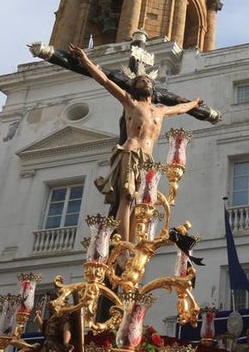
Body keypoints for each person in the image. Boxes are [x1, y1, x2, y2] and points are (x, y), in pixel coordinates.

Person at [69, 44, 202, 242]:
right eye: (141, 80)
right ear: (134, 87)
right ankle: (122, 243)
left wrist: (194, 104)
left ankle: (133, 242)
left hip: (148, 159)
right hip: (131, 150)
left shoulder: (160, 110)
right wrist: (86, 61)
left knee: (142, 201)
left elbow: (181, 108)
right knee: (128, 195)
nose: (145, 80)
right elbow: (105, 81)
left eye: (147, 79)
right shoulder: (130, 103)